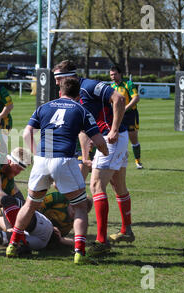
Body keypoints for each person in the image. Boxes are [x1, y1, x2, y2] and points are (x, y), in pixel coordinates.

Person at [6, 77, 108, 265]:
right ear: (79, 95)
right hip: (64, 161)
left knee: (29, 205)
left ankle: (13, 243)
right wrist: (105, 151)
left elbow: (27, 132)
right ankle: (79, 252)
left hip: (42, 161)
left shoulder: (44, 107)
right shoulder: (81, 110)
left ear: (59, 92)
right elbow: (99, 141)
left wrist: (37, 155)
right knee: (79, 207)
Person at [53, 60, 134, 254]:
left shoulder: (89, 86)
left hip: (110, 138)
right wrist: (84, 155)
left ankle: (101, 240)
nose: (56, 83)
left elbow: (119, 99)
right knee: (118, 184)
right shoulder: (72, 94)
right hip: (107, 138)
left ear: (69, 76)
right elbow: (82, 128)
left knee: (96, 185)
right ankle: (126, 230)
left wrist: (113, 130)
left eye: (58, 78)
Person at [109, 65, 143, 169]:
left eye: (115, 74)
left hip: (130, 115)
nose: (113, 76)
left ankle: (138, 161)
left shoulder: (128, 84)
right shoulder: (111, 87)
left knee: (133, 139)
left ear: (120, 74)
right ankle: (116, 160)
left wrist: (125, 108)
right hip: (117, 115)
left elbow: (136, 98)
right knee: (115, 137)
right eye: (111, 75)